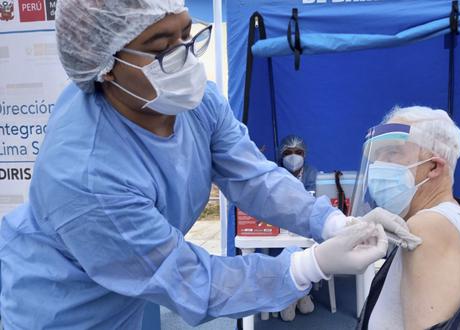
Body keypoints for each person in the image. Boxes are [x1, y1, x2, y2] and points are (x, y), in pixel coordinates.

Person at [0, 1, 419, 328]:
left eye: (187, 35)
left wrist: (332, 224)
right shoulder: (86, 174)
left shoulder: (193, 102)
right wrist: (312, 264)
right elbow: (189, 280)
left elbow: (254, 177)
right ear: (106, 66)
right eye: (162, 49)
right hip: (59, 307)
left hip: (125, 298)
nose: (185, 60)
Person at [352, 106, 460, 329]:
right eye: (378, 156)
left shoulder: (429, 226)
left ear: (433, 166)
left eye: (393, 152)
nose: (379, 165)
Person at [278, 135, 318, 321]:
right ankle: (289, 294)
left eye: (298, 152)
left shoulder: (311, 172)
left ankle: (302, 292)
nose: (293, 157)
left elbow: (313, 198)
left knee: (306, 248)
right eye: (288, 152)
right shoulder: (275, 172)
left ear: (305, 154)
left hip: (305, 223)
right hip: (280, 225)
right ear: (281, 155)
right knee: (282, 249)